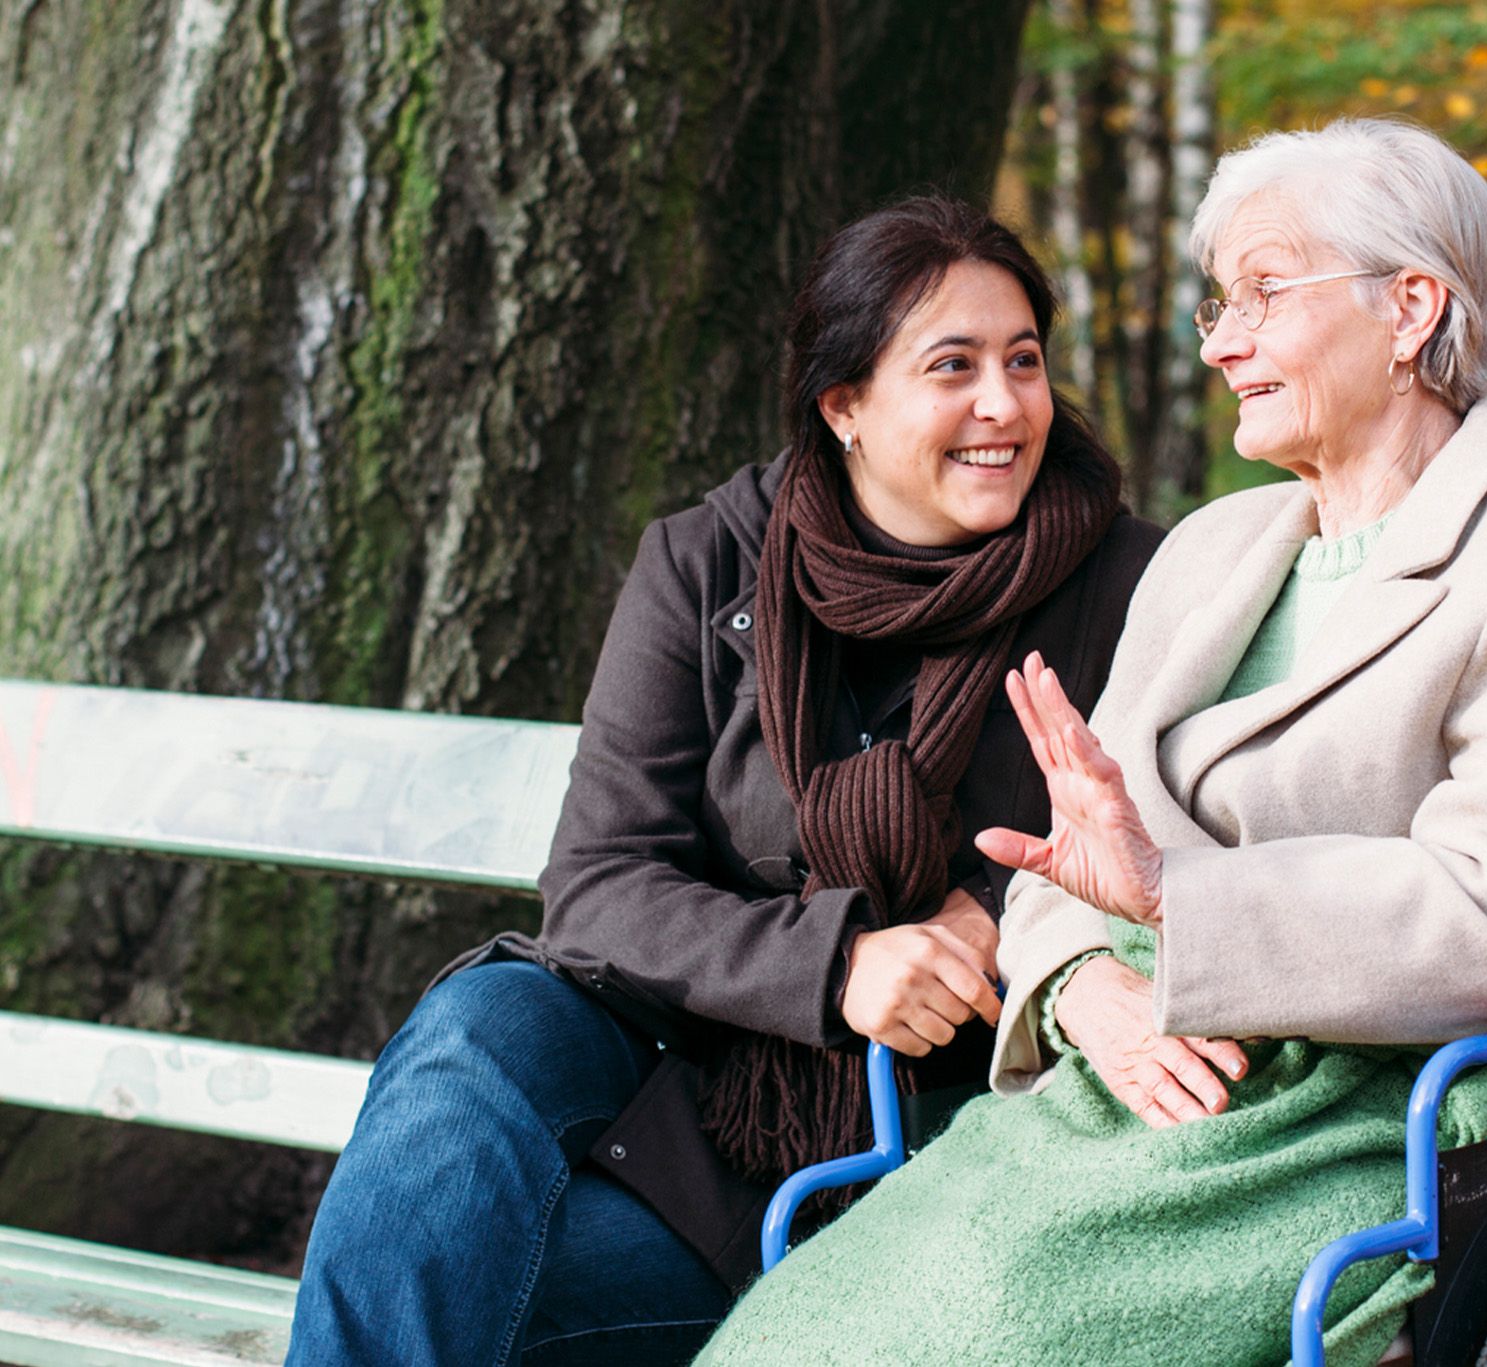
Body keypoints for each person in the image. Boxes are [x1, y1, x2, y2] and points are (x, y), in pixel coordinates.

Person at [694, 118, 1487, 1367]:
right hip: (1130, 1086)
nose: (1221, 340)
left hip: (1393, 1106)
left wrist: (1177, 901)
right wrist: (1077, 986)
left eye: (1264, 294)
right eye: (1219, 302)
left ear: (1410, 309)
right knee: (793, 1330)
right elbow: (1067, 860)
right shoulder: (1216, 550)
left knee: (985, 1337)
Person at [283, 197, 1162, 1366]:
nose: (1002, 405)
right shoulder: (708, 558)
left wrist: (999, 919)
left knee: (463, 1305)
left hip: (952, 1145)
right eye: (951, 367)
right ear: (841, 403)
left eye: (1023, 361)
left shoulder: (1129, 583)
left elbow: (1166, 847)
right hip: (701, 1119)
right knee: (483, 1021)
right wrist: (837, 960)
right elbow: (596, 886)